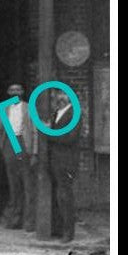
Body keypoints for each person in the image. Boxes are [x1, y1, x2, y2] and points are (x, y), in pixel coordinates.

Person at [0, 81, 37, 231]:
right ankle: (15, 220)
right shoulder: (4, 108)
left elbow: (35, 130)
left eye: (18, 90)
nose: (15, 92)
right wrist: (3, 146)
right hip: (9, 145)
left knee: (27, 185)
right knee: (13, 185)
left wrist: (34, 152)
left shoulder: (28, 107)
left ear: (22, 92)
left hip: (23, 144)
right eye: (12, 90)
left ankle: (29, 222)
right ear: (8, 92)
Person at [46, 86, 80, 242]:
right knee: (58, 195)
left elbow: (70, 138)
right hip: (55, 159)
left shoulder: (74, 113)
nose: (60, 97)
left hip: (67, 160)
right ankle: (59, 229)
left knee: (65, 196)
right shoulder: (56, 113)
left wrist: (49, 133)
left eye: (64, 94)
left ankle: (68, 232)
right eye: (58, 94)